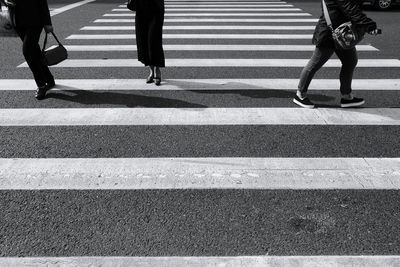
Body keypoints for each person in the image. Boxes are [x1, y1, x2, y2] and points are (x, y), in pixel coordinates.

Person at [294, 0, 378, 109]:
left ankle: (346, 96)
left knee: (350, 61)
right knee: (315, 63)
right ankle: (300, 94)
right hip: (330, 33)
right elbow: (350, 8)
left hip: (342, 32)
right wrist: (369, 25)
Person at [14, 0, 55, 100]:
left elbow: (42, 2)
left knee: (27, 51)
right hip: (17, 19)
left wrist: (47, 22)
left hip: (35, 20)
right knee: (34, 51)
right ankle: (49, 78)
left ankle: (41, 85)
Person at [134, 0, 165, 86]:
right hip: (141, 8)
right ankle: (151, 71)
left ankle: (157, 70)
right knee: (143, 40)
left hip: (156, 8)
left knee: (154, 40)